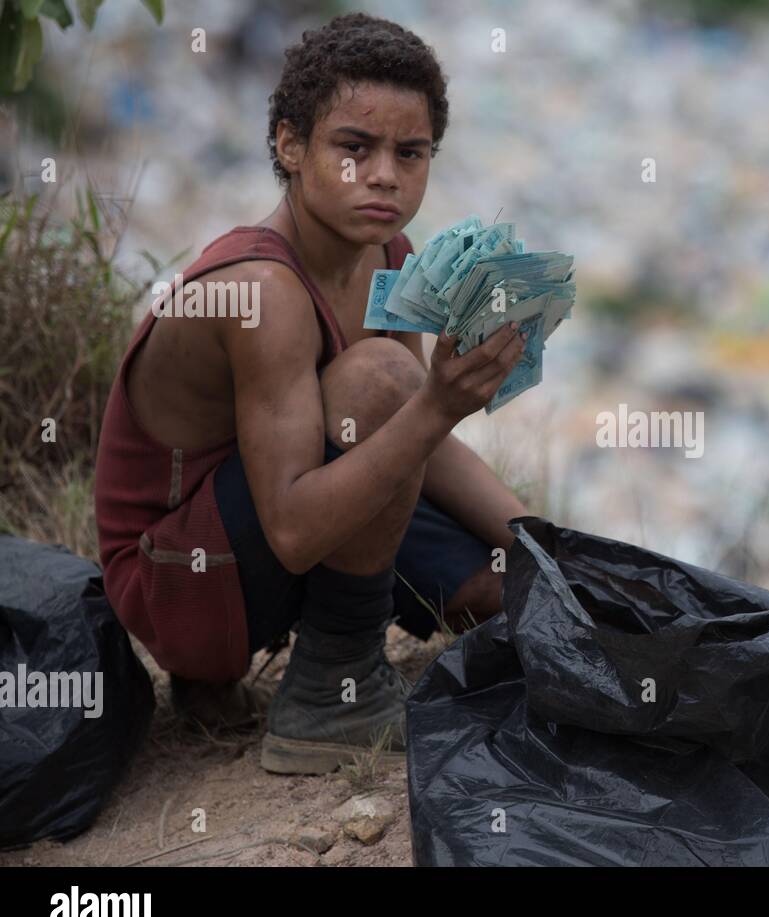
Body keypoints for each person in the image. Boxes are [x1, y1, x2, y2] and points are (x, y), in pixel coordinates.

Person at [93, 13, 530, 774]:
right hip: (178, 578)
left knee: (502, 586)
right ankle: (332, 694)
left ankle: (326, 649)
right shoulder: (262, 291)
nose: (385, 176)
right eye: (353, 149)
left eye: (411, 152)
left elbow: (417, 443)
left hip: (272, 518)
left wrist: (550, 548)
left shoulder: (390, 254)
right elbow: (296, 527)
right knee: (385, 380)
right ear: (290, 147)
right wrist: (435, 402)